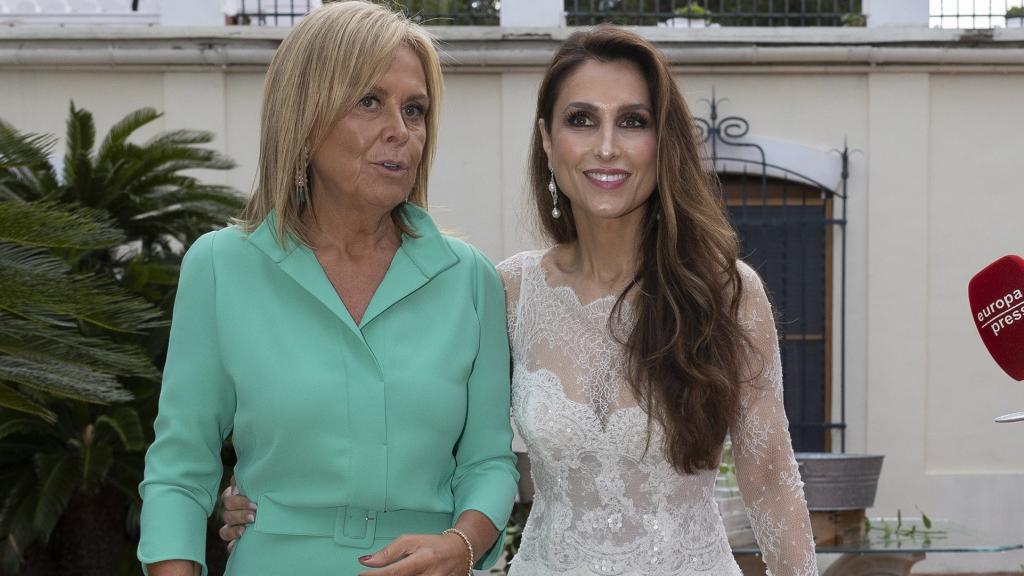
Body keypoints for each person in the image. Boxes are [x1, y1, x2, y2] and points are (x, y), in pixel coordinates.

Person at [221, 25, 817, 576]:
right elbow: (413, 427)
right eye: (581, 120)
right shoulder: (506, 291)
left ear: (665, 142)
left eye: (633, 121)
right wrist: (276, 494)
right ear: (547, 141)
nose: (607, 146)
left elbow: (770, 481)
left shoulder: (726, 294)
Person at [137, 2, 518, 575]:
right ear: (306, 117)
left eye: (414, 110)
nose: (401, 131)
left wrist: (462, 546)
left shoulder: (469, 278)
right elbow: (180, 466)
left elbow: (488, 462)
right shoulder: (221, 267)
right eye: (370, 102)